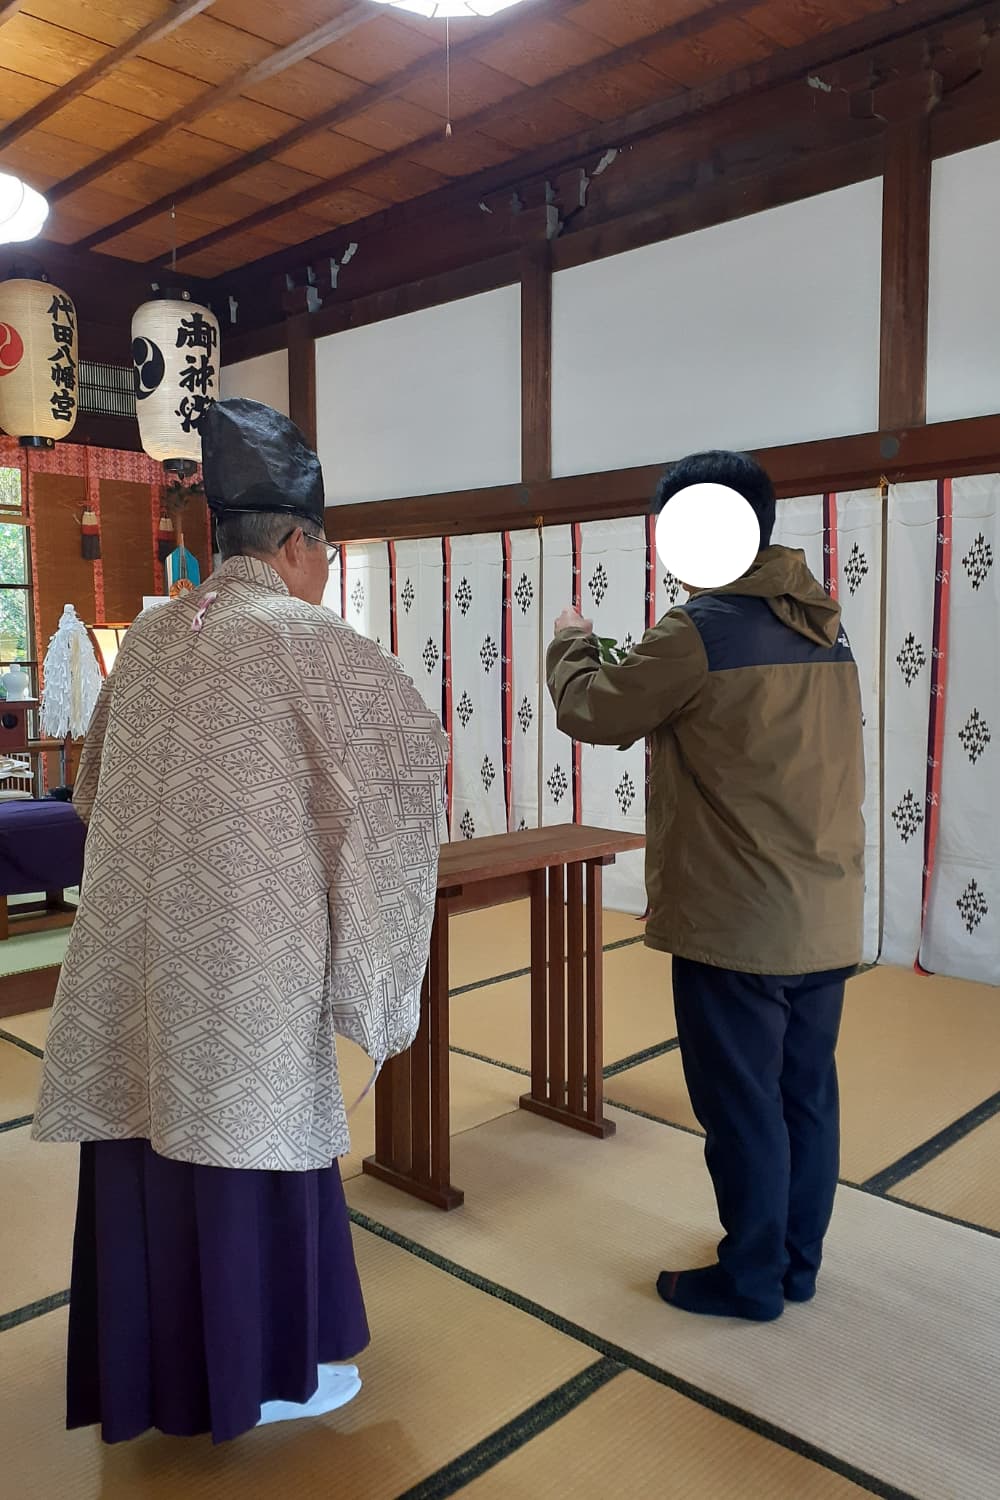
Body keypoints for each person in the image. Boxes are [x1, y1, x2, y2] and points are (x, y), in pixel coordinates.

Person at [33, 398, 449, 1440]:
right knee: (246, 1140)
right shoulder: (312, 642)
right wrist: (368, 970)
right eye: (324, 552)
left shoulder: (158, 637)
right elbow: (402, 780)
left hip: (139, 950)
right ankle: (258, 1377)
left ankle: (154, 1373)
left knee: (146, 1135)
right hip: (250, 963)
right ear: (299, 543)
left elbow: (91, 794)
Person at [546, 450, 865, 1323]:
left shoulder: (699, 631)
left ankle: (750, 1277)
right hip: (825, 912)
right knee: (804, 1097)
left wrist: (570, 636)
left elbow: (593, 709)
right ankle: (796, 1264)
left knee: (742, 1109)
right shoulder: (822, 623)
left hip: (738, 921)